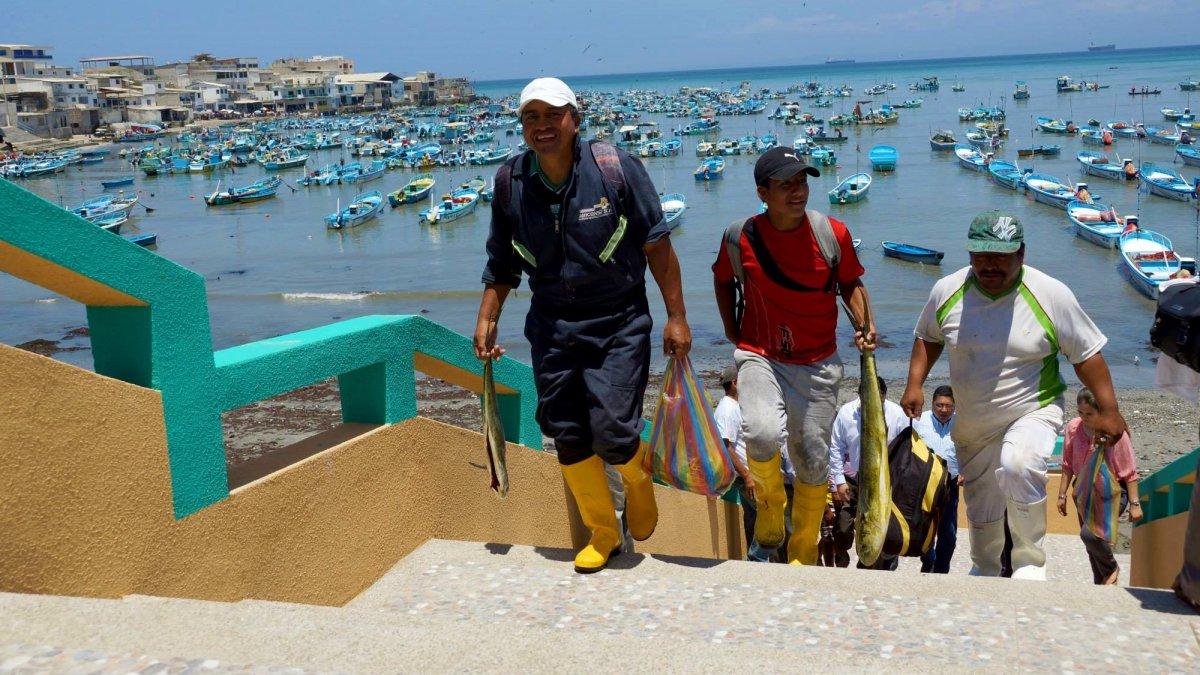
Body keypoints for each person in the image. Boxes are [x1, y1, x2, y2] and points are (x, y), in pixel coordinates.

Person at [474, 77, 691, 574]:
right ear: (522, 126)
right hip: (551, 324)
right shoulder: (511, 184)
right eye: (532, 117)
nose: (542, 126)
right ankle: (602, 530)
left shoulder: (615, 169)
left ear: (575, 118)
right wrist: (488, 317)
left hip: (618, 319)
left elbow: (658, 246)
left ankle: (638, 482)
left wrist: (676, 317)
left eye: (553, 115)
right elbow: (501, 264)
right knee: (566, 432)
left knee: (614, 429)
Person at [902, 211, 1126, 580]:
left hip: (1033, 409)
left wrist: (1110, 409)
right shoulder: (947, 290)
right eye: (982, 254)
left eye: (1001, 256)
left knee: (1019, 463)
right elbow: (928, 337)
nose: (990, 265)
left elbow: (1087, 354)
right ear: (970, 254)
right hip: (973, 423)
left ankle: (1028, 563)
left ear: (1021, 254)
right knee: (983, 508)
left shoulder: (1050, 294)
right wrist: (914, 384)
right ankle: (986, 568)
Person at [713, 145, 874, 566]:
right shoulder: (740, 237)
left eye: (802, 181)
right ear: (762, 192)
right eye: (785, 184)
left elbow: (852, 285)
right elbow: (723, 280)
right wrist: (732, 330)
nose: (797, 191)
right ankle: (769, 507)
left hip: (818, 362)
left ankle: (802, 545)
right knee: (762, 433)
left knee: (812, 456)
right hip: (760, 354)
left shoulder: (831, 234)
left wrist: (864, 325)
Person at [1059, 387, 1142, 585]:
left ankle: (1112, 567)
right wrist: (1061, 494)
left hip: (1111, 491)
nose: (1084, 417)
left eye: (1089, 413)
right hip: (1083, 490)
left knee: (1091, 535)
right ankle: (1102, 584)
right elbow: (1067, 465)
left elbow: (1129, 470)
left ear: (1101, 411)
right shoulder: (1073, 428)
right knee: (1091, 547)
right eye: (1080, 412)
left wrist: (1134, 503)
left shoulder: (1115, 433)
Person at [827, 376, 908, 569]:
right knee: (843, 526)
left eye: (878, 397)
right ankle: (841, 551)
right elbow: (836, 448)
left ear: (884, 395)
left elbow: (906, 448)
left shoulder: (897, 414)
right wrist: (839, 481)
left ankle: (872, 565)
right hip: (853, 479)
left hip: (884, 482)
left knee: (877, 525)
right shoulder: (847, 413)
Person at [915, 385, 962, 574]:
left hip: (950, 483)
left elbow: (970, 449)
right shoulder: (920, 421)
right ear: (932, 404)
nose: (943, 410)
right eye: (939, 405)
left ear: (954, 406)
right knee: (925, 528)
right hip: (925, 482)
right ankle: (928, 560)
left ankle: (942, 570)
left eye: (948, 406)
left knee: (948, 532)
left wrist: (966, 470)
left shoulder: (962, 423)